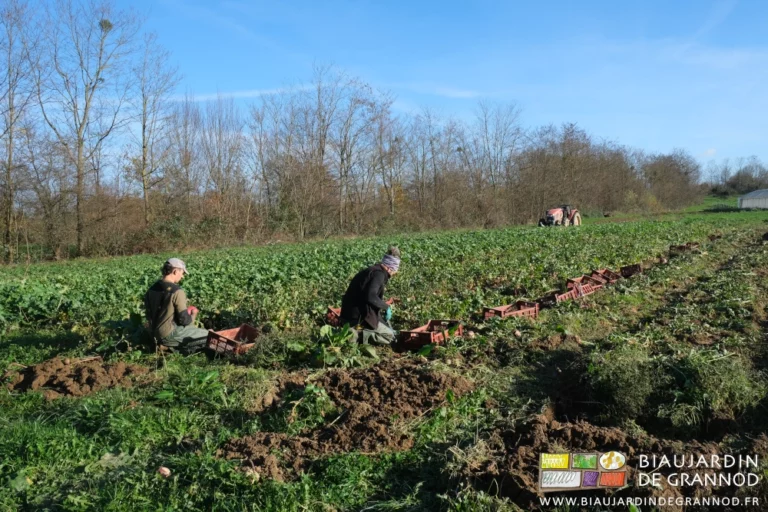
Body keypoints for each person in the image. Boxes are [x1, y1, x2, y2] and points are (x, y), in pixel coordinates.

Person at [144, 258, 209, 355]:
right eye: (182, 273)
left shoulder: (151, 289)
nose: (182, 276)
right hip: (168, 334)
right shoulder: (177, 291)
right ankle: (175, 349)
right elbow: (184, 321)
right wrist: (193, 314)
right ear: (175, 271)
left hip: (153, 333)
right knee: (209, 336)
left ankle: (166, 346)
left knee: (194, 331)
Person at [340, 246, 400, 346]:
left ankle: (354, 331)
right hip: (356, 318)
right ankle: (358, 334)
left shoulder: (371, 271)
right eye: (394, 271)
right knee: (388, 336)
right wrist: (386, 307)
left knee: (384, 327)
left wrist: (383, 322)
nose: (393, 274)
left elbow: (370, 302)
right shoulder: (379, 275)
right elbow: (371, 296)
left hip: (348, 314)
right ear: (390, 268)